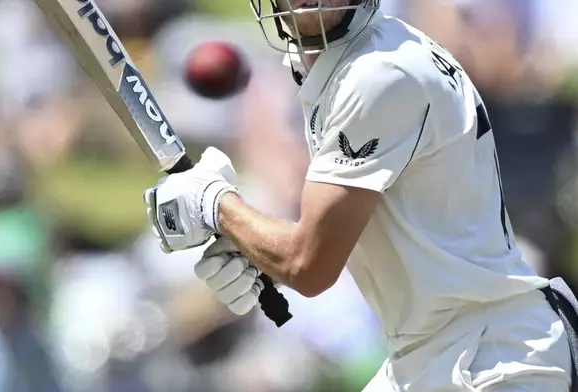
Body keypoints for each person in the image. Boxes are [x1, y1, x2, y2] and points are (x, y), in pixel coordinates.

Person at [144, 1, 576, 391]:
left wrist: (214, 204)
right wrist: (258, 252)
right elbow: (369, 227)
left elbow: (307, 266)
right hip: (435, 352)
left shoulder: (378, 74)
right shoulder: (354, 60)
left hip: (494, 360)